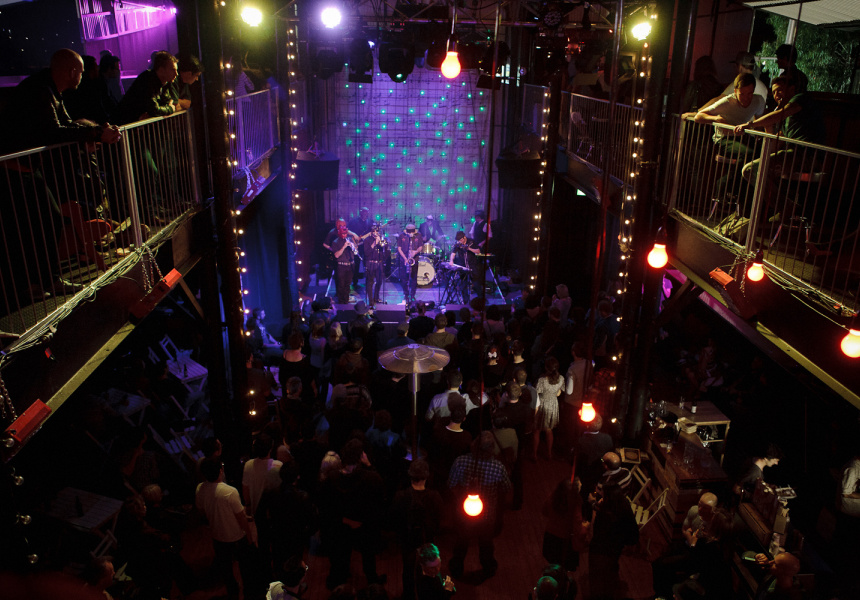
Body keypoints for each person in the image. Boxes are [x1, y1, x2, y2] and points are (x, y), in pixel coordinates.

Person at [447, 431, 511, 580]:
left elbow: (451, 485)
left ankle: (456, 569)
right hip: (487, 515)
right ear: (492, 449)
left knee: (461, 542)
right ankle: (488, 568)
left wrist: (461, 498)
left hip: (464, 513)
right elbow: (507, 488)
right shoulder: (498, 468)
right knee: (486, 544)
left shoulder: (460, 462)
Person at [196, 457, 259, 600]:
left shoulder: (200, 489)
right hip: (237, 537)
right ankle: (249, 593)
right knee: (245, 567)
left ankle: (233, 592)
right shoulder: (229, 491)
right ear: (220, 470)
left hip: (217, 536)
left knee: (226, 570)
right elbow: (241, 519)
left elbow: (201, 511)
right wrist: (250, 538)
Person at [392, 460, 444, 600]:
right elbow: (439, 519)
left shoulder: (400, 496)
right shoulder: (435, 497)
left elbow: (394, 519)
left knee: (408, 568)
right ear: (426, 476)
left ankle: (408, 595)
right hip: (427, 538)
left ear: (410, 476)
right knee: (428, 568)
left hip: (407, 539)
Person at [588, 484, 639, 600]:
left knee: (600, 576)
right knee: (611, 568)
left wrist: (594, 505)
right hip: (617, 546)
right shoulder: (624, 504)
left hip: (602, 548)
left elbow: (596, 531)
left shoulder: (606, 513)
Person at [113, 51, 180, 124]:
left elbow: (166, 103)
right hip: (124, 124)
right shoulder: (147, 79)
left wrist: (159, 111)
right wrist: (170, 109)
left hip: (136, 125)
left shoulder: (165, 82)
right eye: (173, 70)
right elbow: (154, 110)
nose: (176, 74)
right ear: (161, 70)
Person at [542, 478, 588, 572]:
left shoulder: (553, 498)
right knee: (563, 569)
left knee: (552, 563)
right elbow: (577, 528)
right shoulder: (575, 504)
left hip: (550, 537)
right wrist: (586, 526)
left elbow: (544, 511)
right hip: (564, 543)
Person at [531, 357, 564, 461]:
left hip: (542, 405)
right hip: (553, 405)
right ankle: (549, 454)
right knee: (549, 430)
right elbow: (560, 391)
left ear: (546, 367)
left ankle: (534, 455)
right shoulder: (561, 378)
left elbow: (536, 392)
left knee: (537, 430)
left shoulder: (542, 380)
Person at [323, 218, 361, 304]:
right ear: (337, 225)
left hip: (349, 263)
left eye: (344, 225)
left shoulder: (348, 236)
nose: (343, 227)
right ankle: (340, 299)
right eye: (341, 225)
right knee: (340, 282)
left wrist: (353, 242)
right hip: (338, 259)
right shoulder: (332, 233)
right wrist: (334, 250)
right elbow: (325, 244)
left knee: (347, 283)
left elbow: (356, 240)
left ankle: (345, 299)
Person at [397, 224, 424, 303]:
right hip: (404, 260)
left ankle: (412, 295)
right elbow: (399, 248)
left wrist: (415, 252)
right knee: (404, 278)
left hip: (414, 259)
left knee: (414, 278)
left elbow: (421, 246)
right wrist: (405, 258)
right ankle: (406, 294)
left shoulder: (418, 235)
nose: (411, 233)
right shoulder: (402, 236)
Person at [363, 222, 388, 306]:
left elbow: (385, 252)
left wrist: (385, 245)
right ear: (371, 232)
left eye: (376, 231)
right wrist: (375, 243)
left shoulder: (381, 239)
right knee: (370, 282)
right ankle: (370, 301)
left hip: (379, 263)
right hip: (370, 263)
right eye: (373, 231)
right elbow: (366, 253)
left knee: (379, 281)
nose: (375, 233)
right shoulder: (367, 240)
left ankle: (376, 298)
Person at [467, 210, 492, 293]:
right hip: (475, 246)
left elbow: (489, 236)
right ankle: (474, 283)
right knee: (473, 264)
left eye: (477, 217)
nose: (476, 218)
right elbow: (472, 233)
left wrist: (482, 243)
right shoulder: (475, 223)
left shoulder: (486, 225)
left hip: (482, 247)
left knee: (480, 265)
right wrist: (473, 241)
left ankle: (480, 284)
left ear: (480, 217)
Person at [348, 207, 373, 289]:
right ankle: (355, 281)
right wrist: (353, 238)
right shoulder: (353, 221)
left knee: (367, 263)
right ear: (360, 212)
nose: (365, 214)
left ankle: (368, 281)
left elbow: (374, 231)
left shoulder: (370, 222)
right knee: (356, 263)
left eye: (367, 212)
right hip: (357, 245)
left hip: (366, 245)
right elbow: (347, 231)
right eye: (364, 212)